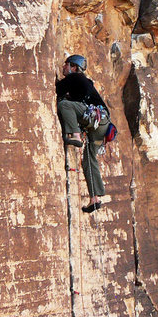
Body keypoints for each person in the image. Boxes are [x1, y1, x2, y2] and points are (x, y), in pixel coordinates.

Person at [56, 54, 110, 213]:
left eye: (66, 64)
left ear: (74, 67)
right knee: (89, 160)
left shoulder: (75, 78)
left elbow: (59, 89)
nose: (63, 67)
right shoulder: (85, 82)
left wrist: (66, 95)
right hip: (102, 124)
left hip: (95, 119)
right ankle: (95, 198)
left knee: (65, 105)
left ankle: (75, 135)